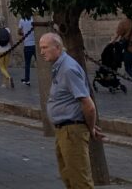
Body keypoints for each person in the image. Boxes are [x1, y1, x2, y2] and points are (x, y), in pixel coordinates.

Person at [40, 32, 104, 189]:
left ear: (58, 47)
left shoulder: (68, 69)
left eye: (45, 48)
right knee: (69, 176)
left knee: (79, 180)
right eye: (40, 48)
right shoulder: (59, 67)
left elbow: (88, 104)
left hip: (72, 131)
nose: (41, 52)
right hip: (65, 130)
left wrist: (89, 127)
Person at [112, 15, 132, 92]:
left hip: (129, 50)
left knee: (128, 68)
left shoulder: (124, 23)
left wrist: (111, 43)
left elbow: (117, 34)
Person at [0, 15, 14, 89]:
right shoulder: (8, 29)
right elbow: (11, 40)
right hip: (8, 49)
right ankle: (4, 84)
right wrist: (12, 48)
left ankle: (8, 77)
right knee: (5, 68)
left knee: (1, 67)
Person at [18, 16, 36, 86]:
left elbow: (19, 31)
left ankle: (27, 80)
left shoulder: (22, 20)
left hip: (27, 45)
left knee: (27, 64)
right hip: (35, 44)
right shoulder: (34, 18)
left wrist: (25, 34)